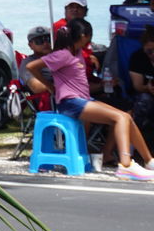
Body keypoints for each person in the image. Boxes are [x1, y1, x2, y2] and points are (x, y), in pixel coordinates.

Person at [29, 18, 154, 180]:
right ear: (82, 36)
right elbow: (31, 67)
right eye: (89, 36)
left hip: (84, 100)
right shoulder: (62, 55)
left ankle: (149, 161)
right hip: (71, 103)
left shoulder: (78, 53)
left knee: (127, 117)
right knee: (120, 117)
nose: (90, 41)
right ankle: (126, 165)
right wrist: (50, 86)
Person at [20, 25, 53, 96]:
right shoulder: (28, 63)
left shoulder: (59, 56)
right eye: (39, 41)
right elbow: (36, 87)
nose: (45, 43)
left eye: (48, 39)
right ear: (30, 45)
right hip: (50, 100)